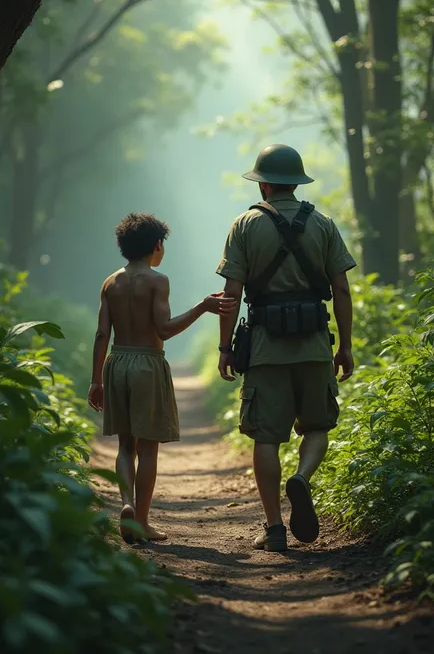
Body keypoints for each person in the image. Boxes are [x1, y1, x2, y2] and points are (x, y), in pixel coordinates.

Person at [216, 144, 356, 552]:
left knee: (266, 436)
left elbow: (232, 293)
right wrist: (345, 346)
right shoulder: (324, 223)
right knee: (317, 426)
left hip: (265, 348)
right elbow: (341, 288)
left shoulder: (244, 225)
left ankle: (275, 528)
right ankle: (303, 478)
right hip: (314, 343)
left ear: (263, 184)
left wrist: (225, 347)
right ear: (296, 181)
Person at [88, 212, 236, 544]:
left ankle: (125, 505)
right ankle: (141, 521)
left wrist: (96, 380)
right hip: (147, 364)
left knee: (126, 445)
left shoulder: (110, 283)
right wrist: (203, 306)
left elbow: (101, 334)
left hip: (117, 362)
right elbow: (165, 330)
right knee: (149, 447)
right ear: (157, 246)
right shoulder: (158, 281)